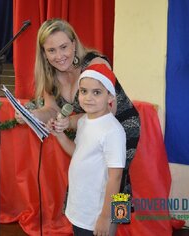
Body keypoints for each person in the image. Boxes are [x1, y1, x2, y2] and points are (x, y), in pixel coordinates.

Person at [15, 18, 140, 196]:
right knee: (89, 181)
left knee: (115, 182)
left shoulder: (95, 64)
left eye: (63, 47)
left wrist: (70, 122)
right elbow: (51, 110)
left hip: (120, 125)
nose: (59, 56)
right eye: (51, 50)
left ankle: (114, 220)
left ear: (74, 44)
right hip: (89, 129)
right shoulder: (51, 75)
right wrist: (31, 114)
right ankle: (88, 222)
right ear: (44, 53)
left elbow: (105, 111)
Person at [48, 64, 126, 236]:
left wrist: (106, 216)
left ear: (110, 96)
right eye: (83, 91)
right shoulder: (84, 120)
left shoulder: (113, 130)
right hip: (82, 205)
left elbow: (116, 176)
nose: (88, 98)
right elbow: (79, 152)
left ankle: (110, 219)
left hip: (97, 210)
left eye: (96, 92)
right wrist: (60, 135)